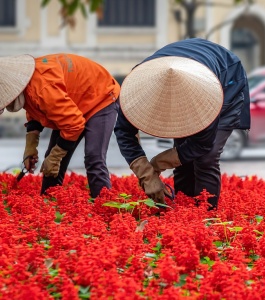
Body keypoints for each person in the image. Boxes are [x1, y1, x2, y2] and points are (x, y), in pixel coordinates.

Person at [114, 38, 250, 208]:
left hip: (227, 80)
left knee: (206, 159)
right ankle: (182, 212)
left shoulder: (205, 94)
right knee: (184, 158)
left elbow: (202, 144)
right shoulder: (134, 89)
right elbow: (123, 132)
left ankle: (205, 218)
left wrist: (158, 163)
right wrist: (147, 175)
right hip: (189, 65)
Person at [0, 54, 120, 198]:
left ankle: (105, 207)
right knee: (50, 160)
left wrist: (55, 157)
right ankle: (47, 204)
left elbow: (74, 124)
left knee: (93, 158)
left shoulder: (43, 89)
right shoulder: (29, 85)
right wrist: (30, 147)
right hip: (73, 104)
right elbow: (35, 110)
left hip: (101, 96)